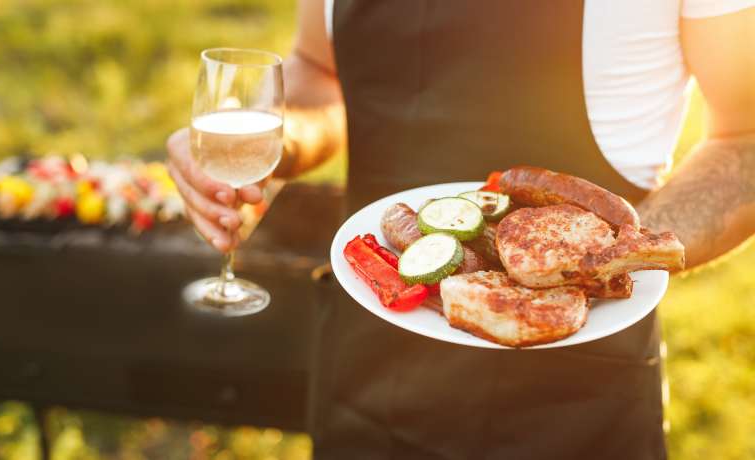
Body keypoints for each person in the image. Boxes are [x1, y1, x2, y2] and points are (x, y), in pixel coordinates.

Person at [167, 1, 755, 458]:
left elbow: (745, 139)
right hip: (371, 370)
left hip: (577, 403)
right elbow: (319, 75)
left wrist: (608, 256)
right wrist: (271, 143)